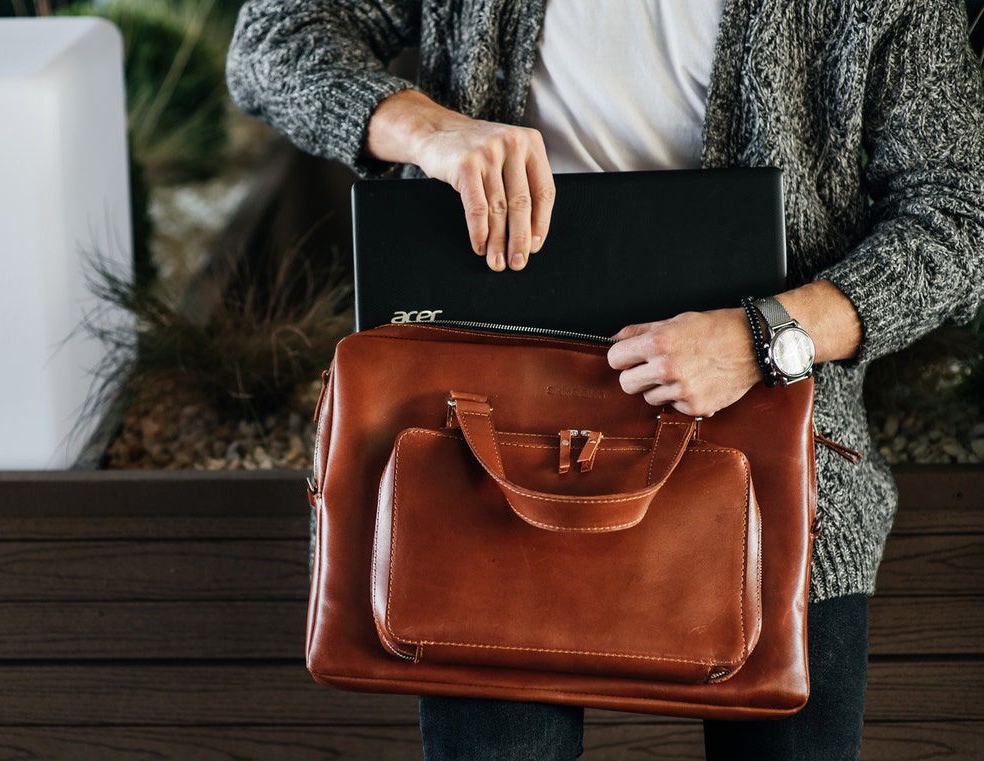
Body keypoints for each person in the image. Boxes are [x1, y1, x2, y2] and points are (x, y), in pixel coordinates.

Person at [226, 1, 984, 758]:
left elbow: (960, 215)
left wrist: (766, 337)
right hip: (483, 474)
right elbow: (273, 37)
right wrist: (428, 129)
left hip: (776, 475)